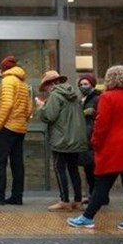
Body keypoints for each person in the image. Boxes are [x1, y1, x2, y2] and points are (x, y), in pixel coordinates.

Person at [68, 65, 123, 232]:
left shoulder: (107, 97)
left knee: (102, 184)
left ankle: (87, 217)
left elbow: (101, 124)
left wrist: (95, 142)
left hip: (115, 146)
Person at [35, 70, 88, 211]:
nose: (46, 90)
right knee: (73, 169)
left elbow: (50, 116)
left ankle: (64, 200)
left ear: (50, 84)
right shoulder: (73, 95)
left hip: (61, 138)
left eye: (45, 87)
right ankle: (77, 200)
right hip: (76, 138)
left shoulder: (56, 95)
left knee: (59, 169)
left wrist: (41, 107)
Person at [0, 55, 31, 206]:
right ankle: (17, 196)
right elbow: (29, 107)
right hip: (20, 128)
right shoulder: (23, 83)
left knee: (0, 162)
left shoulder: (7, 81)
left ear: (3, 69)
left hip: (7, 127)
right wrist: (23, 120)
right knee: (17, 164)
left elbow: (7, 104)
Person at [77, 73, 102, 204]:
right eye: (81, 85)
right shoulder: (85, 99)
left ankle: (97, 196)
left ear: (92, 84)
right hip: (86, 138)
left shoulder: (96, 99)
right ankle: (93, 194)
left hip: (92, 137)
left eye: (85, 84)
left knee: (93, 169)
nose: (83, 86)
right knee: (89, 168)